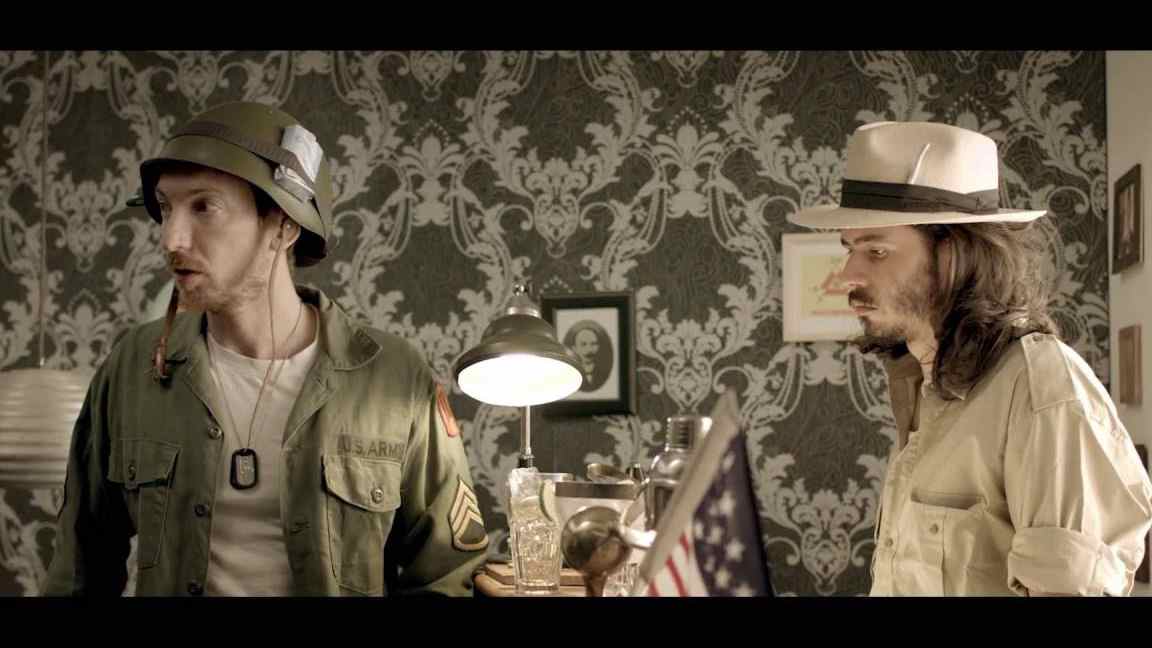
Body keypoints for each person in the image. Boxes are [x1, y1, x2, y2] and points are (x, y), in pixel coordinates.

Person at [43, 102, 489, 596]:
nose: (171, 238)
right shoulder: (134, 367)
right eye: (166, 208)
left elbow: (449, 575)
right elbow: (78, 569)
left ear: (283, 225)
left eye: (203, 207)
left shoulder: (393, 377)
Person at [790, 121, 1152, 596]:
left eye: (876, 251)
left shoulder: (1039, 388)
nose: (846, 276)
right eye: (849, 249)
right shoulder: (922, 383)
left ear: (954, 256)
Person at [564, 320, 612, 392]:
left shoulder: (603, 372)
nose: (589, 350)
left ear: (599, 346)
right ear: (574, 349)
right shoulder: (570, 375)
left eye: (594, 344)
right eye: (583, 344)